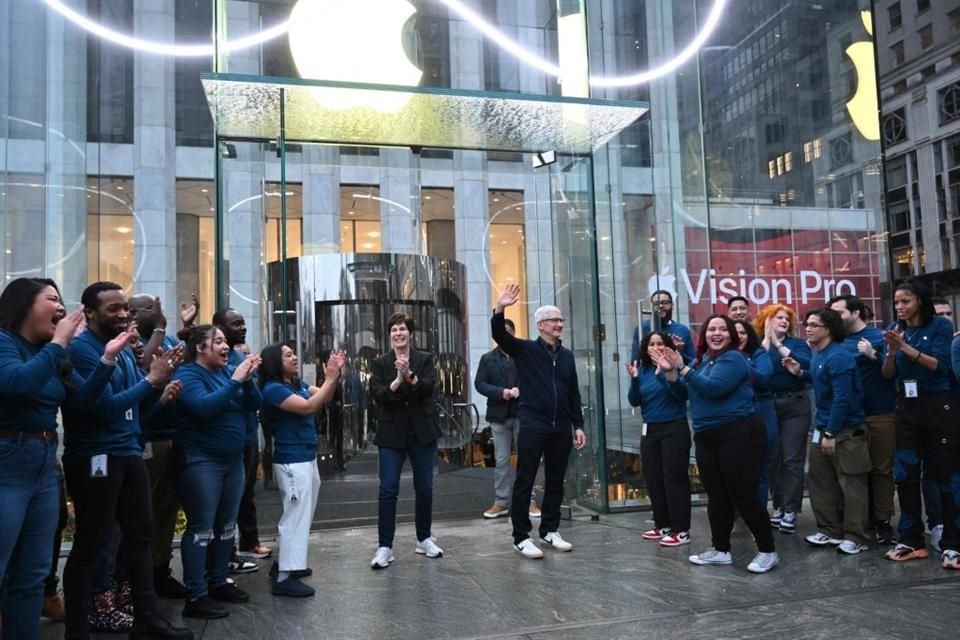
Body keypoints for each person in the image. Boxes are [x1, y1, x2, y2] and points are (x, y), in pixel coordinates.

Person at [61, 281, 191, 640]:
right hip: (97, 456)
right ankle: (78, 628)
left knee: (139, 537)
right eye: (113, 309)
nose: (123, 315)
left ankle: (147, 619)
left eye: (126, 309)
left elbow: (134, 406)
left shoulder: (121, 351)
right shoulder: (85, 350)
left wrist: (159, 392)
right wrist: (151, 381)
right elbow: (99, 409)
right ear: (89, 313)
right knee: (92, 542)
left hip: (129, 451)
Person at [0, 278, 126, 639]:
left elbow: (83, 402)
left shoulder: (52, 353)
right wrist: (58, 343)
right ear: (24, 304)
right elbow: (17, 383)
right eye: (52, 299)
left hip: (43, 460)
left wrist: (107, 359)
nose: (61, 308)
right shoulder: (6, 343)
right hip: (8, 458)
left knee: (33, 572)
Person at [653, 315, 778, 574]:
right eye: (711, 329)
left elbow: (714, 389)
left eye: (723, 329)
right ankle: (720, 549)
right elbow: (684, 394)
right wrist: (670, 373)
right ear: (704, 334)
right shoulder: (704, 360)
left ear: (732, 334)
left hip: (739, 433)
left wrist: (684, 368)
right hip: (707, 435)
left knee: (744, 495)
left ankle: (768, 551)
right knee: (717, 495)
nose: (716, 333)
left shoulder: (734, 359)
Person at [491, 284, 587, 560]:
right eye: (555, 320)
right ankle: (521, 536)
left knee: (556, 479)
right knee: (526, 479)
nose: (559, 324)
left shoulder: (567, 356)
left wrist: (577, 425)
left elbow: (573, 392)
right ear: (541, 325)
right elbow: (499, 334)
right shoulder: (525, 350)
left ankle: (549, 530)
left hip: (560, 426)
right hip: (533, 423)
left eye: (560, 320)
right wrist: (500, 308)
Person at [172, 325, 262, 618]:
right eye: (219, 341)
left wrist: (247, 381)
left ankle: (219, 580)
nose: (226, 347)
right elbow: (203, 408)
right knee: (201, 528)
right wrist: (235, 381)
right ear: (200, 347)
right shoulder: (187, 375)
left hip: (232, 460)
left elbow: (254, 405)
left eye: (226, 341)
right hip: (201, 461)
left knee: (226, 526)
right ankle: (196, 595)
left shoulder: (227, 373)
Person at [882, 278, 960, 568]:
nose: (900, 307)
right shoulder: (896, 330)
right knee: (905, 473)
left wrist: (905, 348)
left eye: (906, 301)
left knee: (947, 473)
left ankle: (954, 542)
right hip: (906, 405)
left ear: (919, 301)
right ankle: (911, 539)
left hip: (938, 403)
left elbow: (940, 365)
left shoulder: (939, 326)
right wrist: (891, 351)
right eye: (897, 302)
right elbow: (888, 373)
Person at [259, 345, 344, 596]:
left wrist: (334, 376)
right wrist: (330, 378)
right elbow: (309, 407)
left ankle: (286, 563)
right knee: (295, 516)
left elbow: (324, 397)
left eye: (293, 353)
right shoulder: (273, 390)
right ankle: (285, 577)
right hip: (292, 460)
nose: (294, 357)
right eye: (287, 355)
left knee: (301, 513)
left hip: (305, 456)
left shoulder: (294, 383)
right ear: (275, 362)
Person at [784, 308, 870, 555]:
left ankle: (856, 535)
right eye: (806, 324)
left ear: (829, 329)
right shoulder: (818, 354)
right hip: (822, 427)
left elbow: (843, 398)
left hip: (844, 430)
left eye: (814, 325)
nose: (807, 328)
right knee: (820, 481)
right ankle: (830, 529)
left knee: (851, 484)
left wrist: (831, 433)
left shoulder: (839, 356)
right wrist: (801, 373)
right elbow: (823, 381)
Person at [369, 312, 444, 569]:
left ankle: (424, 538)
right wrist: (397, 381)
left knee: (425, 488)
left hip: (422, 432)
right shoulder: (380, 363)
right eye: (394, 330)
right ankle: (385, 546)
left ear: (410, 333)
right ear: (389, 335)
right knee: (388, 490)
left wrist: (410, 376)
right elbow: (377, 395)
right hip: (391, 434)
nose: (398, 333)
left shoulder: (425, 359)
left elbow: (429, 388)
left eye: (402, 329)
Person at [128, 294, 188, 598]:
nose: (157, 310)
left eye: (157, 306)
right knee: (142, 512)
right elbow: (144, 367)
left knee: (166, 508)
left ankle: (159, 569)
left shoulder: (167, 337)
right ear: (133, 314)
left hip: (170, 433)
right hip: (144, 438)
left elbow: (181, 355)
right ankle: (132, 581)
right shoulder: (131, 340)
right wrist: (160, 328)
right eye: (149, 307)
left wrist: (182, 330)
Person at [829, 295, 897, 545]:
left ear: (855, 313)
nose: (834, 318)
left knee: (881, 469)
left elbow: (893, 373)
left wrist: (873, 355)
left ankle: (883, 521)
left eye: (839, 312)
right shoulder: (834, 343)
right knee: (853, 471)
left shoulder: (879, 338)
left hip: (879, 413)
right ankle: (856, 522)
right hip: (849, 419)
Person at [213, 308, 273, 563]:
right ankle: (225, 553)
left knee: (246, 492)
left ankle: (249, 542)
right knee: (228, 498)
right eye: (235, 324)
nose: (242, 328)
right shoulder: (216, 361)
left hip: (248, 435)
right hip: (227, 439)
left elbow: (253, 399)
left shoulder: (240, 356)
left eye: (243, 323)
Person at [626, 331, 690, 546]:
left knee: (674, 480)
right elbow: (634, 401)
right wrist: (634, 380)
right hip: (650, 430)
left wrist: (665, 372)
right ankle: (663, 525)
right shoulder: (643, 370)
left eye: (660, 343)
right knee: (654, 479)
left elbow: (681, 394)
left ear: (668, 346)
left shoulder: (675, 366)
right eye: (651, 343)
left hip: (674, 428)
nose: (655, 347)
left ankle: (681, 530)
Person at [474, 318, 540, 520]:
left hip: (523, 414)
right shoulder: (487, 359)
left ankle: (529, 501)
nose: (506, 335)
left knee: (526, 459)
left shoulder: (524, 354)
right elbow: (480, 384)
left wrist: (524, 390)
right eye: (502, 332)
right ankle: (501, 502)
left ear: (513, 333)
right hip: (498, 415)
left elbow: (537, 379)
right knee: (501, 460)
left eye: (509, 331)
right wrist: (501, 392)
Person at [754, 304, 811, 534]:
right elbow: (755, 369)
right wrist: (768, 341)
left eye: (787, 318)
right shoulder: (759, 345)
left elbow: (806, 365)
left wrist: (779, 345)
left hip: (795, 403)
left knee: (792, 459)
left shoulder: (796, 343)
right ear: (767, 320)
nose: (784, 321)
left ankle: (790, 510)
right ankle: (777, 505)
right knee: (773, 459)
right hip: (768, 405)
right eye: (778, 318)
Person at [733, 319, 776, 507]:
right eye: (734, 333)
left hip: (761, 413)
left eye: (743, 332)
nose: (739, 337)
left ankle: (758, 519)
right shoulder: (718, 356)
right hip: (734, 418)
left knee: (760, 470)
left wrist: (739, 361)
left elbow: (764, 379)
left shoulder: (759, 354)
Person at [631, 289, 695, 366]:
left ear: (672, 305)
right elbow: (635, 361)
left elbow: (692, 362)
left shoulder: (682, 330)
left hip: (675, 376)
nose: (661, 306)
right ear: (651, 307)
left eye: (665, 303)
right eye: (656, 304)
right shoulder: (643, 328)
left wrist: (677, 351)